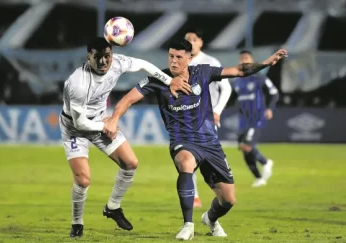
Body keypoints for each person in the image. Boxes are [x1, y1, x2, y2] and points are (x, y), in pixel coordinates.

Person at [103, 39, 287, 240]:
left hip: (209, 142)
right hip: (182, 140)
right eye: (171, 56)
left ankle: (210, 219)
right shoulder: (158, 78)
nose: (173, 61)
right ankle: (187, 225)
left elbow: (239, 70)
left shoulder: (202, 72)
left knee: (228, 200)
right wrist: (113, 119)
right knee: (185, 161)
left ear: (189, 58)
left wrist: (266, 63)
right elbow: (128, 99)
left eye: (179, 57)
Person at [59, 37, 192, 238]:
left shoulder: (118, 63)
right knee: (83, 179)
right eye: (97, 57)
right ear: (89, 57)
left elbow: (144, 65)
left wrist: (168, 80)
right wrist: (106, 126)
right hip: (74, 127)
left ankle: (112, 207)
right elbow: (80, 123)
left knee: (130, 163)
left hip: (99, 121)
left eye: (107, 56)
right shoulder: (77, 82)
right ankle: (77, 223)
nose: (103, 62)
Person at [185, 27, 232, 208]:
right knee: (188, 158)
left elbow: (226, 88)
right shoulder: (181, 61)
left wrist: (218, 110)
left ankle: (222, 196)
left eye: (194, 39)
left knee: (208, 159)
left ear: (201, 42)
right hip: (186, 118)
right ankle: (194, 196)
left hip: (207, 119)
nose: (191, 42)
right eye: (188, 39)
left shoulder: (210, 62)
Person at [231, 50, 279, 187]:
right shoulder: (237, 81)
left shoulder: (260, 78)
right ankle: (258, 178)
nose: (244, 61)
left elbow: (274, 94)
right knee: (244, 148)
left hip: (257, 116)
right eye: (241, 58)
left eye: (246, 58)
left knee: (247, 144)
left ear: (252, 60)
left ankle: (265, 162)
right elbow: (233, 98)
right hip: (243, 120)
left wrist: (270, 108)